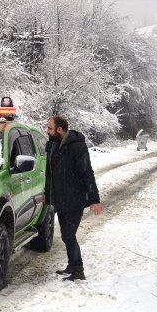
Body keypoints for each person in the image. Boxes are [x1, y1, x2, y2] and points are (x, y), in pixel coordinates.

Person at [44, 115, 103, 281]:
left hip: (75, 198)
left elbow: (87, 173)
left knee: (69, 234)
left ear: (60, 130)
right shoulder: (52, 145)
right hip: (60, 199)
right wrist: (47, 195)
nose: (47, 131)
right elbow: (50, 174)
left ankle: (79, 270)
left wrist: (94, 199)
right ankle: (72, 265)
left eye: (50, 128)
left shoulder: (78, 147)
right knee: (65, 234)